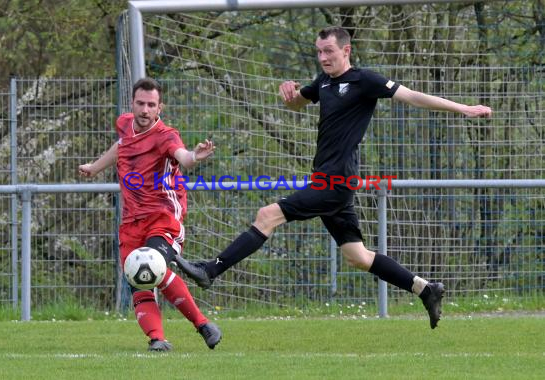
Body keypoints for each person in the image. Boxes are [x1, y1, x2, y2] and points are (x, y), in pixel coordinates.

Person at [174, 26, 492, 329]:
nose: (323, 58)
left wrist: (463, 108)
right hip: (325, 180)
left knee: (267, 215)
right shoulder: (323, 82)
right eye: (319, 52)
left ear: (346, 50)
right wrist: (291, 95)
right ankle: (425, 289)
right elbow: (300, 102)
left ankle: (211, 270)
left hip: (336, 182)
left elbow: (412, 96)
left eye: (329, 51)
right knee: (357, 255)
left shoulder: (364, 80)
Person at [79, 77, 221, 351]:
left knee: (154, 265)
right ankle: (157, 339)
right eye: (140, 103)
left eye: (151, 105)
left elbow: (183, 157)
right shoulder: (124, 123)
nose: (145, 110)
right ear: (132, 104)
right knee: (138, 278)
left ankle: (203, 324)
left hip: (163, 216)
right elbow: (122, 146)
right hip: (132, 221)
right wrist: (96, 167)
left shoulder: (166, 136)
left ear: (160, 108)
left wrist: (195, 155)